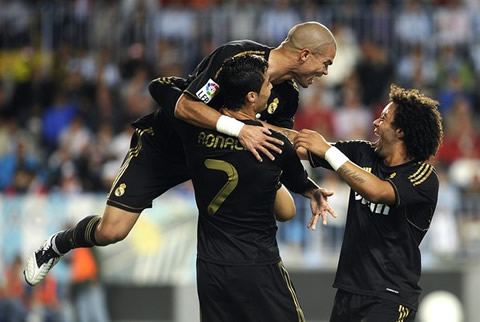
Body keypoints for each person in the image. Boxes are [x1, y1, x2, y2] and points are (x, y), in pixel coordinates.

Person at [24, 21, 337, 286]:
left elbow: (276, 145)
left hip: (217, 159)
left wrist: (305, 185)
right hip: (166, 148)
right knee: (111, 231)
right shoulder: (235, 57)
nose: (326, 71)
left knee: (283, 210)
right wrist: (238, 129)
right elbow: (186, 106)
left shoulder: (288, 96)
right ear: (305, 54)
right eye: (326, 63)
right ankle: (57, 244)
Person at [164, 53, 336, 321]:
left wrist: (215, 104)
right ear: (251, 97)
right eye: (267, 84)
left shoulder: (192, 132)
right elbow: (299, 186)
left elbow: (159, 87)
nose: (271, 88)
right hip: (258, 265)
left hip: (211, 268)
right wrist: (314, 192)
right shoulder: (275, 144)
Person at [294, 84, 443, 321]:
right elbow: (300, 145)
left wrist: (329, 151)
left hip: (390, 297)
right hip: (349, 291)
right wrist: (245, 128)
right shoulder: (362, 153)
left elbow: (378, 191)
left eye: (384, 118)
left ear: (401, 131)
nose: (375, 122)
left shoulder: (422, 176)